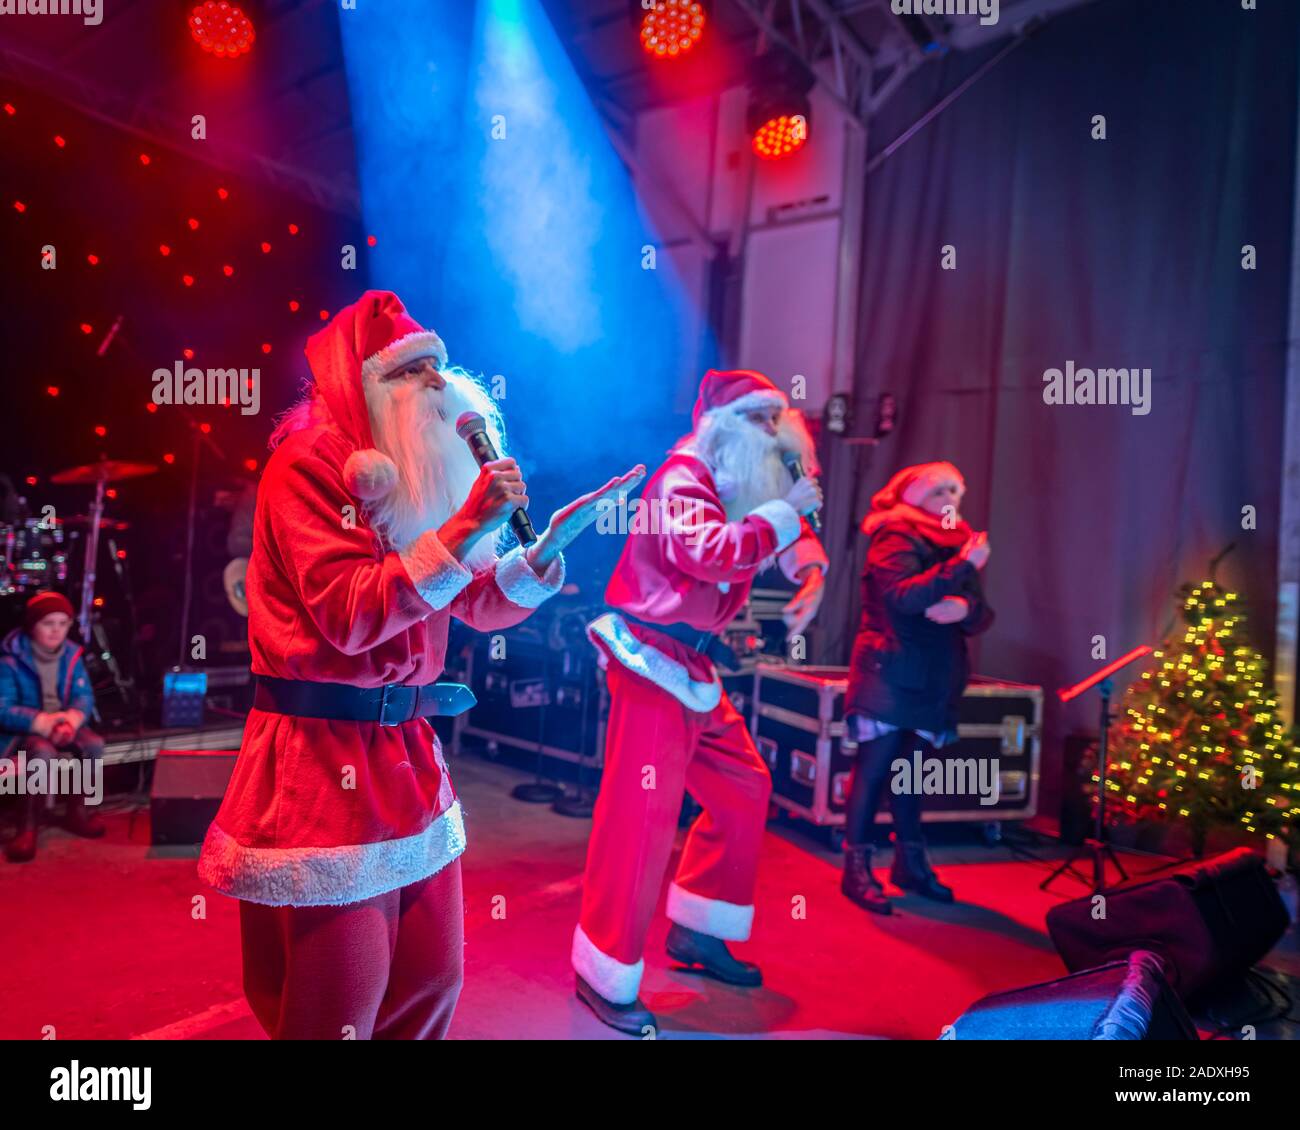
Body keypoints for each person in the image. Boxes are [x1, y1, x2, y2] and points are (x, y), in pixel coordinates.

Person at [197, 290, 642, 1040]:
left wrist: (538, 557)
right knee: (339, 1002)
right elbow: (350, 615)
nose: (439, 383)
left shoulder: (417, 472)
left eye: (440, 365)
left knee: (432, 982)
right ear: (371, 385)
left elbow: (471, 600)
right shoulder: (311, 464)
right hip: (323, 759)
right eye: (415, 371)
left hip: (408, 756)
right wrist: (468, 523)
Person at [576, 368, 827, 1034]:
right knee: (641, 817)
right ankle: (603, 969)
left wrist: (812, 568)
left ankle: (698, 928)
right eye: (762, 420)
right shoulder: (681, 480)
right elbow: (710, 553)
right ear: (725, 424)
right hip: (651, 659)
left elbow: (775, 531)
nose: (776, 433)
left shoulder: (728, 479)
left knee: (744, 786)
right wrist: (786, 516)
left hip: (692, 666)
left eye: (780, 419)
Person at [841, 461, 993, 914]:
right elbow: (902, 597)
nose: (950, 500)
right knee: (874, 768)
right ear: (913, 498)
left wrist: (964, 607)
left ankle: (909, 863)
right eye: (939, 492)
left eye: (955, 492)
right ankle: (855, 868)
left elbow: (984, 614)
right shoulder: (895, 535)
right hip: (890, 671)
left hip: (933, 675)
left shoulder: (959, 543)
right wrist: (962, 566)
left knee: (911, 772)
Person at [0, 590, 105, 863]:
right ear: (33, 625)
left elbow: (84, 696)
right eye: (48, 623)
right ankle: (28, 826)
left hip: (61, 722)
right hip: (26, 729)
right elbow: (4, 708)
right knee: (43, 752)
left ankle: (79, 811)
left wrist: (70, 721)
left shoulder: (72, 654)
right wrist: (42, 724)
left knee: (93, 744)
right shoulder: (11, 658)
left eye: (62, 624)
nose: (56, 631)